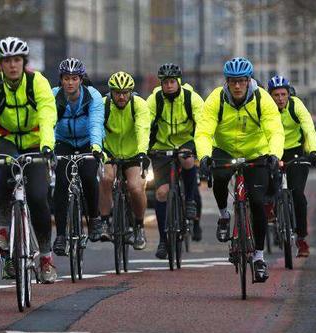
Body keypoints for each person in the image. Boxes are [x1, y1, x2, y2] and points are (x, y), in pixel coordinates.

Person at [195, 57, 284, 282]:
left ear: (249, 80)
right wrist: (204, 156)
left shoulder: (262, 98)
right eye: (233, 81)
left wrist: (274, 154)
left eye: (242, 81)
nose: (237, 86)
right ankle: (224, 215)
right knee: (220, 177)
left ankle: (259, 257)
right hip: (224, 149)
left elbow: (274, 129)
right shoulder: (216, 98)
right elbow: (204, 131)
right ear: (226, 81)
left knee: (258, 202)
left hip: (256, 152)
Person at [0, 37, 58, 283]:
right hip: (6, 140)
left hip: (35, 142)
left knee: (37, 198)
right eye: (7, 61)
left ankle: (46, 259)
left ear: (24, 62)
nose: (12, 66)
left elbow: (47, 114)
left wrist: (46, 146)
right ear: (0, 65)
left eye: (17, 60)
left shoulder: (38, 82)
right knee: (4, 170)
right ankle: (2, 230)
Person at [146, 63, 204, 259]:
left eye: (172, 82)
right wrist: (144, 149)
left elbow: (203, 124)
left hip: (186, 142)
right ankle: (163, 240)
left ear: (178, 81)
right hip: (161, 147)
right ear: (161, 83)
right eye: (165, 82)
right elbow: (144, 124)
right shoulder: (154, 100)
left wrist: (199, 149)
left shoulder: (191, 98)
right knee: (161, 193)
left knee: (186, 160)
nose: (169, 85)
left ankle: (189, 201)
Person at [51, 58, 105, 255]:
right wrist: (48, 148)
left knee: (89, 176)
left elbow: (96, 123)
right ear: (61, 80)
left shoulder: (93, 96)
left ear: (81, 79)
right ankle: (60, 236)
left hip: (87, 142)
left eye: (74, 78)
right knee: (61, 185)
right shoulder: (54, 96)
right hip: (63, 142)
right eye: (66, 78)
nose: (70, 83)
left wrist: (96, 147)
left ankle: (94, 218)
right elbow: (49, 124)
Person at [95, 71, 150, 250]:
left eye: (125, 92)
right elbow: (96, 129)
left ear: (131, 92)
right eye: (117, 92)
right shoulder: (103, 105)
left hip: (134, 153)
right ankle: (104, 222)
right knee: (106, 178)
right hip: (110, 152)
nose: (121, 96)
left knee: (135, 187)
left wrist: (142, 152)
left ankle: (139, 227)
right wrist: (98, 150)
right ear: (110, 92)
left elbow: (143, 129)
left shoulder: (139, 105)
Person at [267, 75, 316, 257]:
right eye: (276, 95)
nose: (280, 98)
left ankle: (302, 238)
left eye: (283, 94)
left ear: (289, 94)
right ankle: (270, 207)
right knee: (267, 187)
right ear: (270, 96)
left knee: (298, 195)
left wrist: (313, 151)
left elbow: (309, 129)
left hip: (296, 153)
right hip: (272, 151)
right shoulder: (265, 108)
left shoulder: (296, 105)